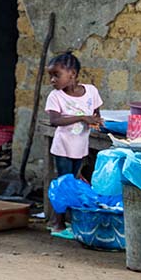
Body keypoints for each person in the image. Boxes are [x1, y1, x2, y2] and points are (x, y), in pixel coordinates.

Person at [44, 51, 103, 237]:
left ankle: (64, 220)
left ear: (73, 74)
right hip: (62, 147)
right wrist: (81, 117)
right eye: (50, 76)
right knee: (64, 182)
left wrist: (95, 121)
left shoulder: (91, 92)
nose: (53, 80)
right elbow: (55, 120)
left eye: (56, 75)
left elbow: (95, 113)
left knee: (73, 181)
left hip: (80, 147)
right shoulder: (56, 96)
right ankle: (58, 224)